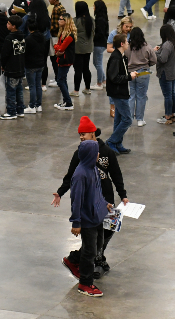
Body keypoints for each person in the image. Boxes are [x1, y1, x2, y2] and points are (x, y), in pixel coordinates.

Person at [56, 117, 127, 280]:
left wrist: (123, 195)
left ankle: (92, 257)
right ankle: (89, 260)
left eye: (84, 134)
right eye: (79, 134)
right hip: (91, 204)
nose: (81, 137)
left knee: (108, 232)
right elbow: (70, 176)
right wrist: (60, 192)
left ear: (93, 134)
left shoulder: (107, 152)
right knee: (93, 236)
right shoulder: (80, 153)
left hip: (106, 202)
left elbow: (116, 174)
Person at [68, 139, 113, 298]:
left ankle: (73, 259)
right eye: (96, 152)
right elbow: (76, 200)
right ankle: (85, 283)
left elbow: (97, 191)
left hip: (98, 216)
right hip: (87, 220)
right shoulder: (80, 175)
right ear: (89, 155)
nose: (99, 154)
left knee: (97, 245)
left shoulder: (93, 168)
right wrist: (76, 222)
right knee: (90, 251)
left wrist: (105, 203)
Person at [105, 33, 137, 153]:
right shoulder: (116, 58)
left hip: (121, 91)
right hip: (118, 93)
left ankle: (117, 144)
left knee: (118, 119)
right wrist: (129, 77)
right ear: (122, 44)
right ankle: (112, 141)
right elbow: (114, 77)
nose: (128, 43)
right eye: (127, 41)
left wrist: (129, 75)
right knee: (127, 119)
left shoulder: (121, 56)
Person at [53, 13, 77, 110]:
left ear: (66, 21)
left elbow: (61, 48)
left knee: (60, 80)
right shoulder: (63, 32)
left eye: (61, 19)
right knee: (63, 80)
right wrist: (57, 49)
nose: (59, 21)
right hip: (62, 58)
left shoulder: (69, 35)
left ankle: (68, 102)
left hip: (65, 60)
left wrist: (55, 47)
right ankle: (66, 101)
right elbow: (59, 48)